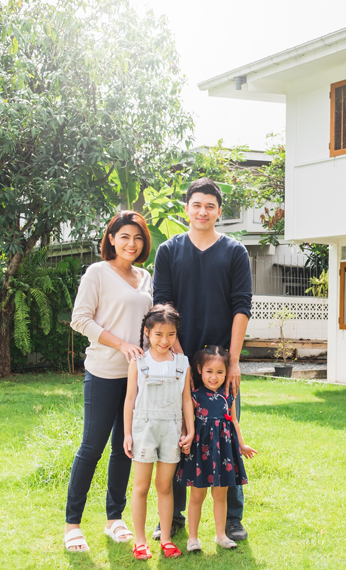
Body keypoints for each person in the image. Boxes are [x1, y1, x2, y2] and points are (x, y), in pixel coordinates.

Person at [152, 177, 253, 541]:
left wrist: (234, 362)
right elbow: (162, 305)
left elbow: (242, 307)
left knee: (224, 434)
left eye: (210, 205)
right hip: (178, 360)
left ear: (219, 211)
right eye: (197, 204)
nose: (203, 211)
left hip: (219, 367)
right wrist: (179, 358)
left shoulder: (235, 252)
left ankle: (232, 520)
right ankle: (174, 516)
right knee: (180, 437)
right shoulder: (168, 251)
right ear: (187, 209)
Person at [64, 211, 153, 553]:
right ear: (112, 239)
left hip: (137, 378)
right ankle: (73, 525)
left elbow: (151, 322)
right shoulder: (97, 273)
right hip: (103, 372)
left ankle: (114, 518)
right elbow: (80, 319)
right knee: (92, 447)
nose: (132, 243)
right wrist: (121, 344)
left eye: (138, 238)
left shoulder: (146, 277)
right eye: (125, 236)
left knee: (124, 448)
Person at [123, 304, 195, 560]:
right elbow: (130, 400)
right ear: (147, 332)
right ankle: (140, 540)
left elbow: (187, 400)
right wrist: (127, 434)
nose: (165, 341)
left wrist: (190, 431)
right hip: (144, 430)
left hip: (172, 431)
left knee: (165, 486)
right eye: (158, 335)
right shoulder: (138, 362)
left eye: (171, 335)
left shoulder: (182, 363)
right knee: (141, 487)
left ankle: (166, 538)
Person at [176, 346, 256, 551]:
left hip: (224, 453)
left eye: (220, 372)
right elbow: (187, 419)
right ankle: (192, 538)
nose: (214, 377)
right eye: (209, 371)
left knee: (220, 496)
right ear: (200, 370)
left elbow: (234, 422)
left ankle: (221, 535)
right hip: (200, 451)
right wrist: (185, 436)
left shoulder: (228, 395)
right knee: (197, 496)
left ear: (226, 373)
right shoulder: (194, 395)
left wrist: (242, 444)